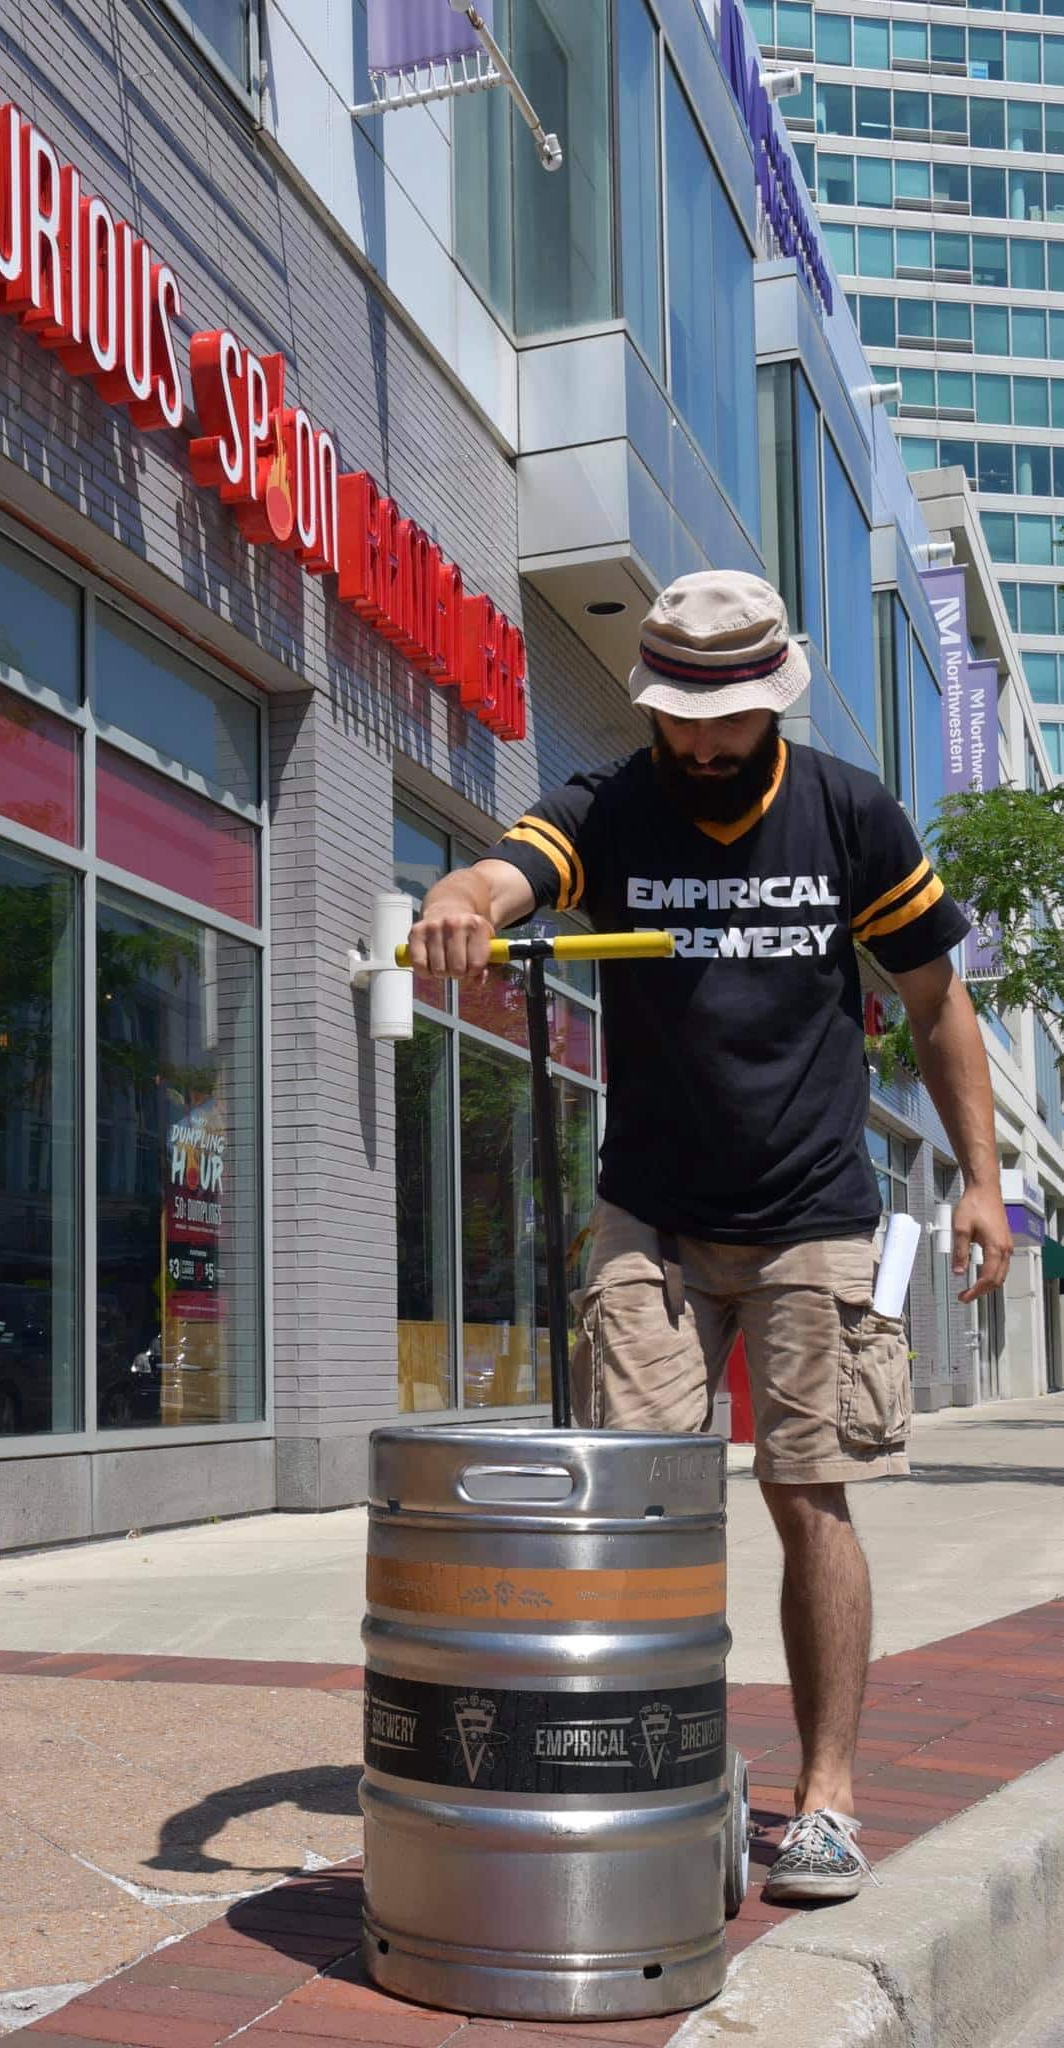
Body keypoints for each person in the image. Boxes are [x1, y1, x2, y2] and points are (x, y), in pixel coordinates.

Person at [407, 569, 1012, 1903]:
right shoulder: (615, 801)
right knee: (640, 1505)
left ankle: (829, 1802)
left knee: (808, 1495)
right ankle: (660, 1771)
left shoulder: (845, 810)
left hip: (811, 1209)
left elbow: (932, 1000)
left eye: (721, 714)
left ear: (769, 700)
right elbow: (522, 863)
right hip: (654, 1215)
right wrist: (466, 891)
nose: (697, 740)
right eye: (676, 710)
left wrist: (980, 1179)